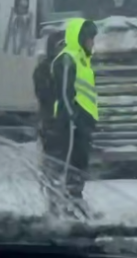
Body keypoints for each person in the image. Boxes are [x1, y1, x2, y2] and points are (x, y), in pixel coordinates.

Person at [45, 18, 99, 218]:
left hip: (83, 122)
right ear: (81, 37)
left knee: (80, 164)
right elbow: (65, 93)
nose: (92, 42)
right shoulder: (67, 59)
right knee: (69, 164)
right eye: (90, 38)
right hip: (71, 124)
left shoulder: (82, 59)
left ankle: (75, 200)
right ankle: (64, 205)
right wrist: (71, 119)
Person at [34, 30, 66, 154]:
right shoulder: (44, 68)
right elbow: (44, 94)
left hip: (72, 124)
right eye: (61, 46)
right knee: (54, 156)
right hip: (53, 122)